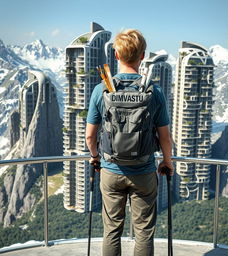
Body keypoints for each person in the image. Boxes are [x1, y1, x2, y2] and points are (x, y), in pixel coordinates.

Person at [86, 29, 173, 256]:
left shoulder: (100, 90)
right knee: (144, 232)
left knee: (112, 230)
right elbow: (164, 137)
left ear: (116, 55)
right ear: (142, 56)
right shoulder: (154, 92)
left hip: (111, 171)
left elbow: (89, 136)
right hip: (144, 171)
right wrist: (167, 161)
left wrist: (95, 157)